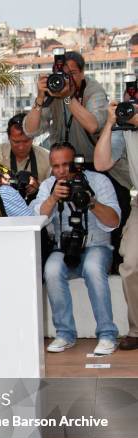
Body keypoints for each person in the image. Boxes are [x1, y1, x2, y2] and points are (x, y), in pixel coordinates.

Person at [23, 51, 131, 271]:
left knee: (115, 204)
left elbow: (93, 125)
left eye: (72, 73)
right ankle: (64, 253)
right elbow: (30, 129)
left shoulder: (93, 91)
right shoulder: (52, 92)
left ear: (82, 73)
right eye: (63, 73)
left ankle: (116, 261)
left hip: (99, 164)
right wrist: (40, 99)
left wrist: (67, 97)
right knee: (59, 207)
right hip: (64, 164)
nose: (67, 79)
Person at [32, 142, 121, 355]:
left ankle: (107, 335)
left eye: (67, 164)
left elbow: (114, 221)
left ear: (77, 163)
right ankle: (64, 334)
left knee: (92, 267)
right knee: (51, 270)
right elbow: (36, 218)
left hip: (96, 245)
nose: (62, 171)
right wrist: (53, 198)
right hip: (63, 248)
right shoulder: (48, 185)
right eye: (56, 166)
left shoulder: (99, 181)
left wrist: (91, 203)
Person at [94, 101, 138, 350]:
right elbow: (101, 163)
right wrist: (112, 122)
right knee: (130, 264)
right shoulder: (126, 128)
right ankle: (136, 329)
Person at [0, 113, 50, 201]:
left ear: (33, 138)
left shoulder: (47, 158)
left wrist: (39, 188)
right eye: (16, 142)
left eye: (26, 141)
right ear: (8, 137)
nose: (21, 147)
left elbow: (51, 192)